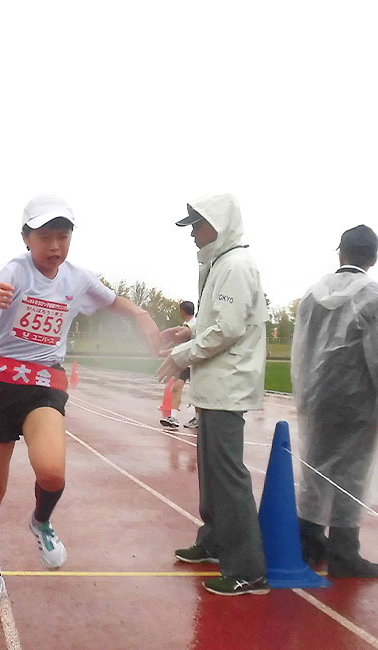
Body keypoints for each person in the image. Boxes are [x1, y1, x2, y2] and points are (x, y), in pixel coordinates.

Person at [0, 194, 160, 602]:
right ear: (26, 238)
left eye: (63, 236)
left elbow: (114, 302)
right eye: (45, 236)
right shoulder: (13, 271)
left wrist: (142, 317)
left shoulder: (77, 278)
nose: (55, 246)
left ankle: (41, 522)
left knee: (52, 473)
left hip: (44, 383)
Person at [157, 195, 269, 596]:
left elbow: (228, 329)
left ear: (218, 225)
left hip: (228, 386)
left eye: (196, 225)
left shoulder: (236, 265)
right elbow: (213, 322)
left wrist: (181, 355)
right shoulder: (219, 264)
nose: (192, 233)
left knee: (227, 476)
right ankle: (215, 542)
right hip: (213, 386)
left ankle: (247, 569)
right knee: (211, 472)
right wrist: (187, 332)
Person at [292, 225, 378, 578]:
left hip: (316, 397)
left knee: (314, 472)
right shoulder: (376, 296)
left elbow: (301, 350)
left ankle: (308, 544)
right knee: (351, 477)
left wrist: (304, 394)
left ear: (339, 252)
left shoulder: (312, 295)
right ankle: (344, 553)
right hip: (356, 402)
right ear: (373, 258)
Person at [160, 300, 197, 430]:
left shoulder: (194, 325)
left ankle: (198, 418)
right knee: (176, 387)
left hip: (196, 363)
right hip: (185, 363)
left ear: (182, 311)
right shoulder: (185, 325)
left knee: (196, 391)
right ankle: (173, 417)